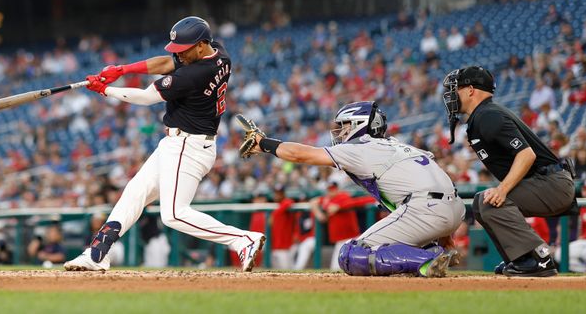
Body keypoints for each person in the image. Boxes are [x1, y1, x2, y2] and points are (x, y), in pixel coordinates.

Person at [64, 16, 265, 272]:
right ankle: (97, 253)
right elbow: (165, 63)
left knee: (174, 214)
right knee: (135, 192)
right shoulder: (220, 54)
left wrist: (105, 90)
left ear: (202, 45)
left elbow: (147, 97)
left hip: (188, 146)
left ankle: (242, 239)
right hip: (178, 143)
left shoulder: (195, 74)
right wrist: (123, 70)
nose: (179, 55)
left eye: (184, 49)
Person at [236, 101, 465, 278]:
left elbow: (300, 154)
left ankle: (425, 261)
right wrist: (445, 234)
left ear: (359, 125)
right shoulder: (398, 145)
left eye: (344, 126)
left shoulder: (359, 147)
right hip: (452, 208)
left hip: (425, 209)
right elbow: (437, 182)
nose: (340, 132)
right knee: (389, 244)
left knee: (350, 254)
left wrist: (263, 143)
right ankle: (434, 253)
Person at [442, 66, 576, 277]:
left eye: (456, 89)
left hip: (552, 183)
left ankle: (539, 258)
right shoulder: (483, 116)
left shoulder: (488, 115)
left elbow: (526, 155)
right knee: (482, 203)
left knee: (488, 203)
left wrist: (502, 190)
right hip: (545, 182)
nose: (451, 96)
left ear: (470, 90)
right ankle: (520, 260)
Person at [310, 180, 370, 270]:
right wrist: (319, 214)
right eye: (329, 189)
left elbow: (357, 202)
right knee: (339, 267)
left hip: (350, 238)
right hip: (340, 240)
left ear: (337, 189)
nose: (331, 191)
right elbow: (313, 202)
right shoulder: (327, 199)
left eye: (333, 189)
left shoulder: (343, 196)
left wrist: (339, 206)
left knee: (339, 267)